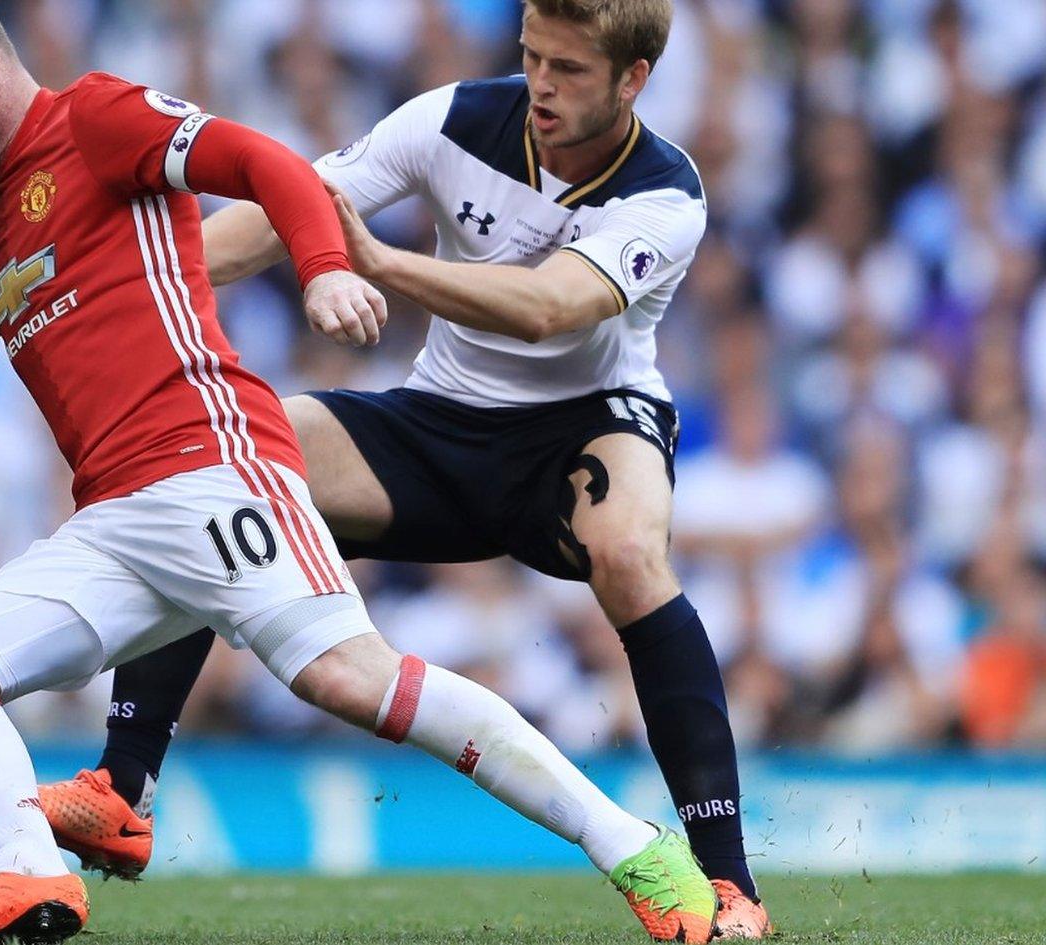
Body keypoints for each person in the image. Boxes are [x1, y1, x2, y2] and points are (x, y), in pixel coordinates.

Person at [0, 2, 716, 943]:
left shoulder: (94, 117)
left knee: (347, 676)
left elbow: (263, 163)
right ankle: (33, 876)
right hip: (115, 519)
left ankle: (639, 849)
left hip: (215, 464)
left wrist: (325, 267)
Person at [40, 0, 771, 938]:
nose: (541, 86)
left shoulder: (667, 193)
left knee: (630, 553)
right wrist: (97, 281)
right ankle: (124, 786)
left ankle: (728, 883)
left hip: (583, 427)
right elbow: (285, 214)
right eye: (532, 57)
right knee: (218, 461)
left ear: (634, 80)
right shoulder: (452, 117)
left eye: (571, 70)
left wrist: (378, 263)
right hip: (439, 422)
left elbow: (551, 307)